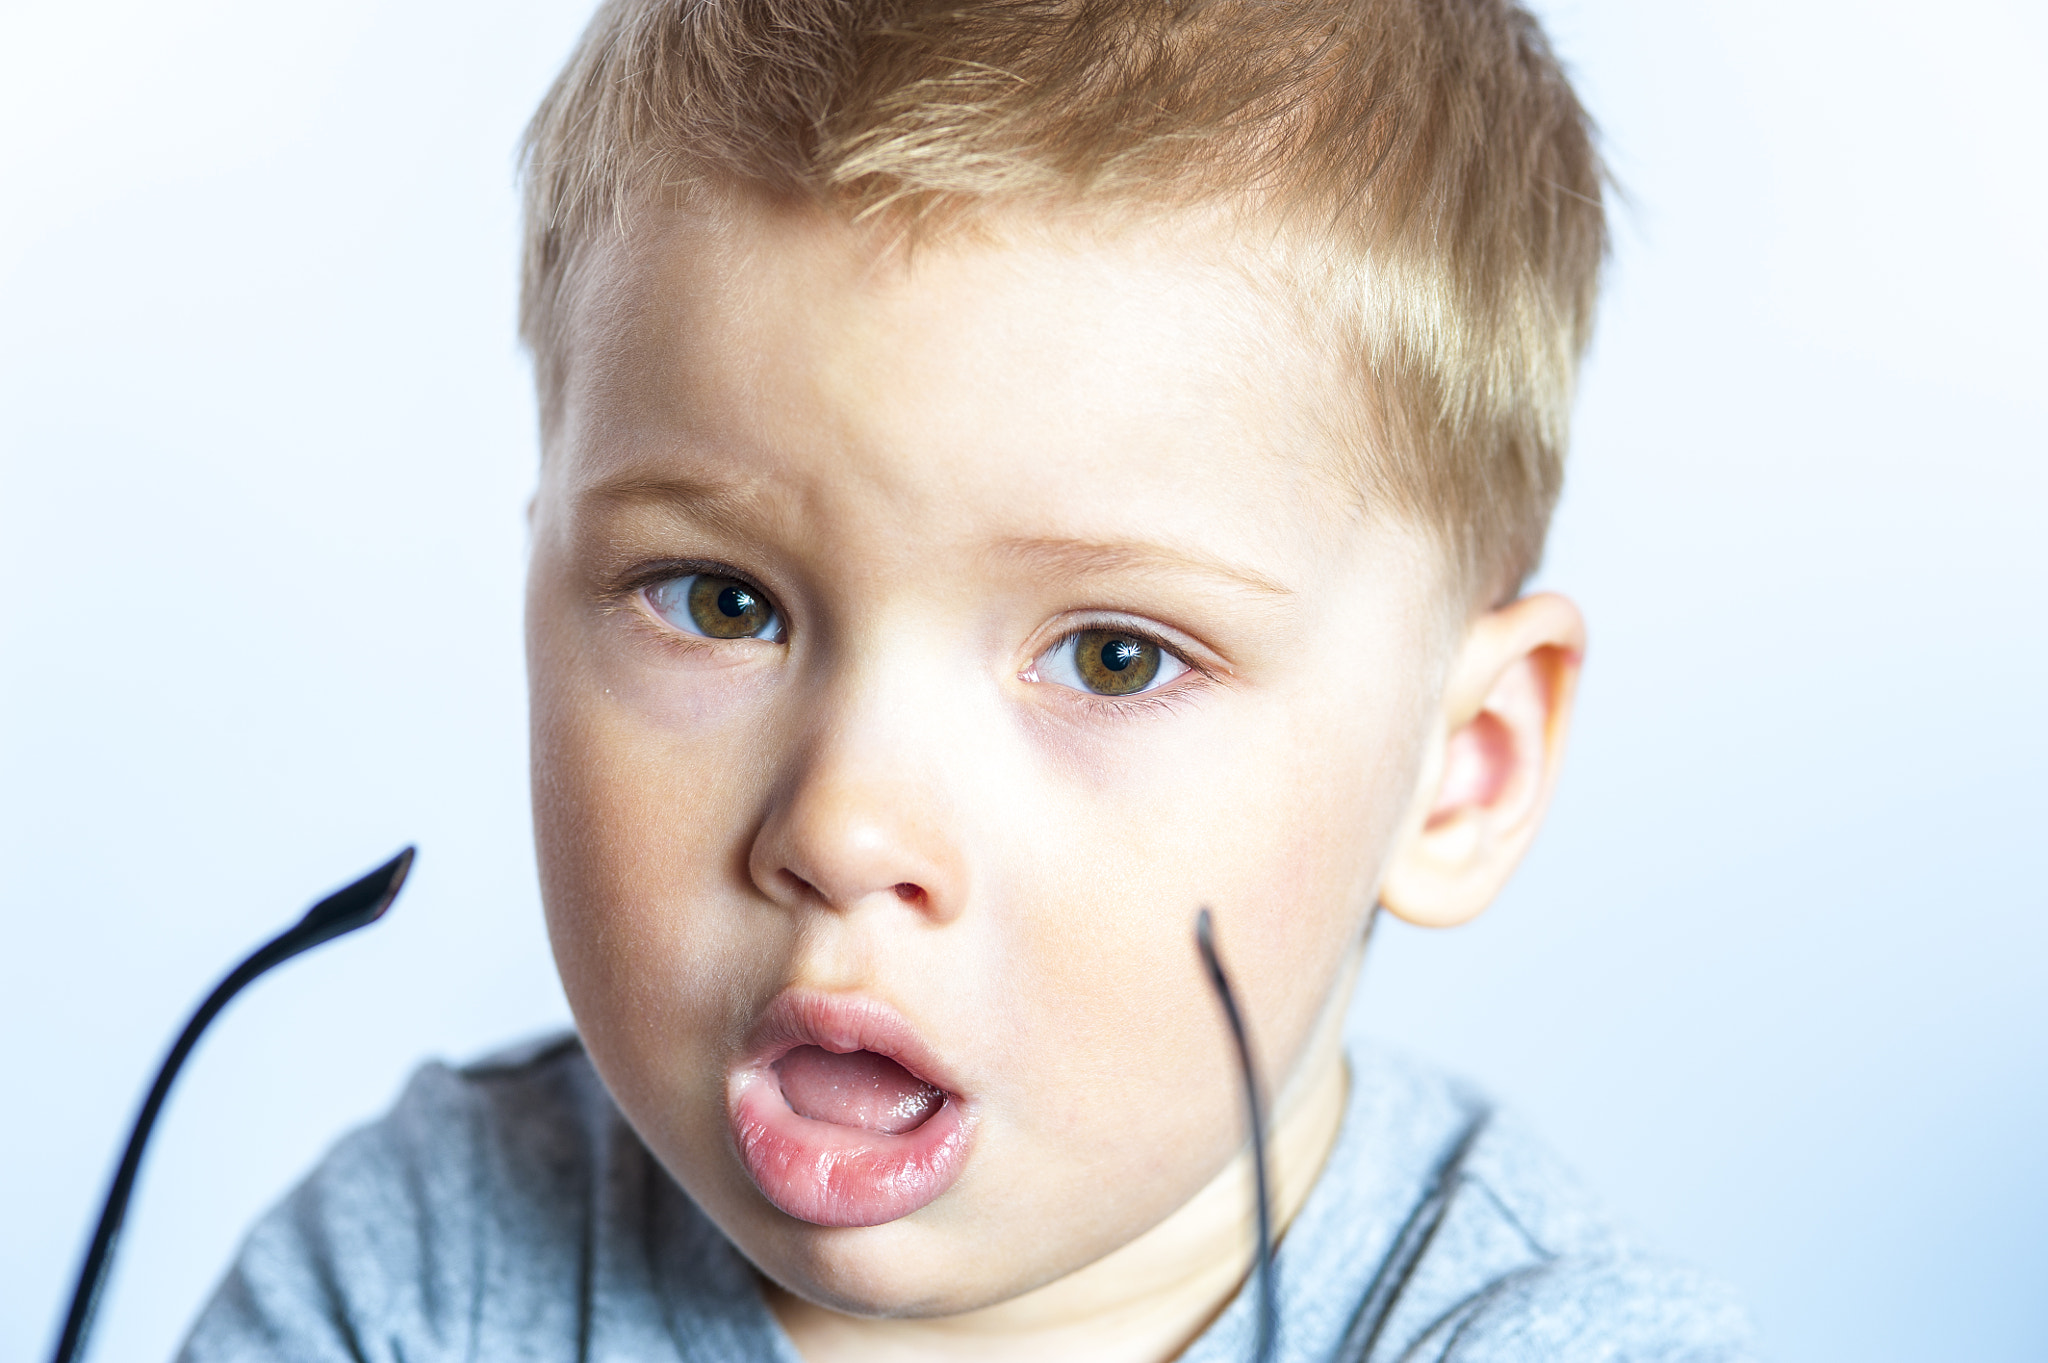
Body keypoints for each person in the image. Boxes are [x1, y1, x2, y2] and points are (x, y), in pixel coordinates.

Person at [180, 1, 1757, 1359]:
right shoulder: (408, 1283)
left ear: (1462, 764)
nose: (849, 826)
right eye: (723, 604)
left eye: (1111, 655)